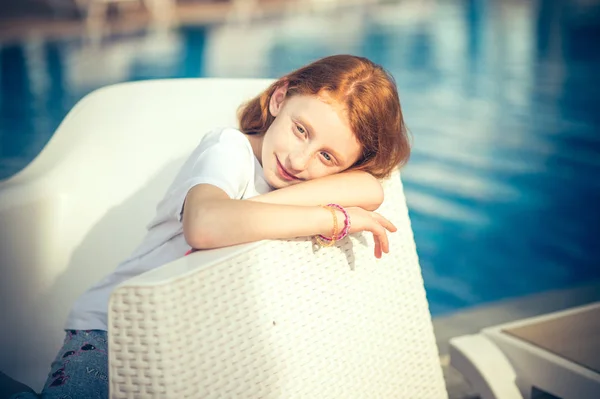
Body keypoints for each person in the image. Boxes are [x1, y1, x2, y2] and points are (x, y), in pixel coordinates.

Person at [7, 54, 410, 399]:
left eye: (327, 156)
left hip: (189, 347)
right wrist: (331, 218)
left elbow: (369, 189)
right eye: (300, 129)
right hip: (112, 336)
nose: (300, 161)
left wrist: (253, 210)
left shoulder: (302, 177)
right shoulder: (227, 150)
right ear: (280, 98)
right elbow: (204, 225)